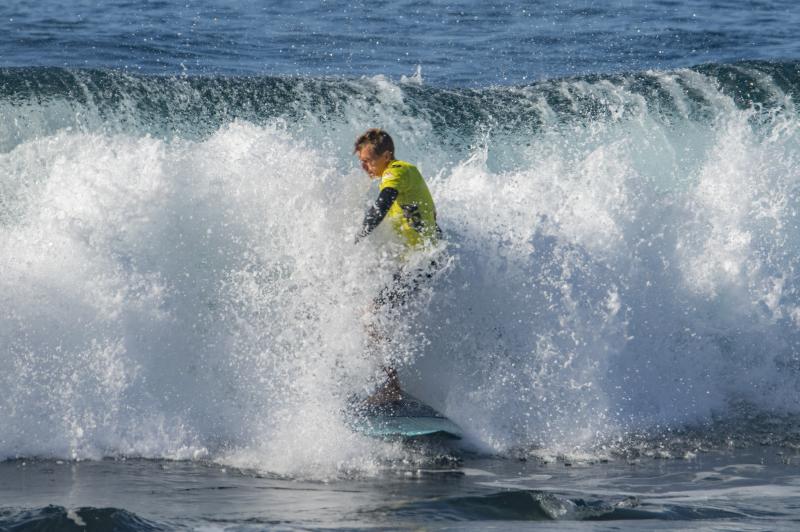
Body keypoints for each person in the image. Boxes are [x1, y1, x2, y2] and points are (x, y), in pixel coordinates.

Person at [353, 128, 440, 403]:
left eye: (368, 160)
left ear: (387, 156)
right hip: (420, 261)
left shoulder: (397, 171)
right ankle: (384, 381)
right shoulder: (401, 176)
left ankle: (390, 386)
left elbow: (381, 205)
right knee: (371, 313)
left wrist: (354, 240)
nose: (364, 166)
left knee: (371, 316)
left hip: (422, 262)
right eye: (361, 161)